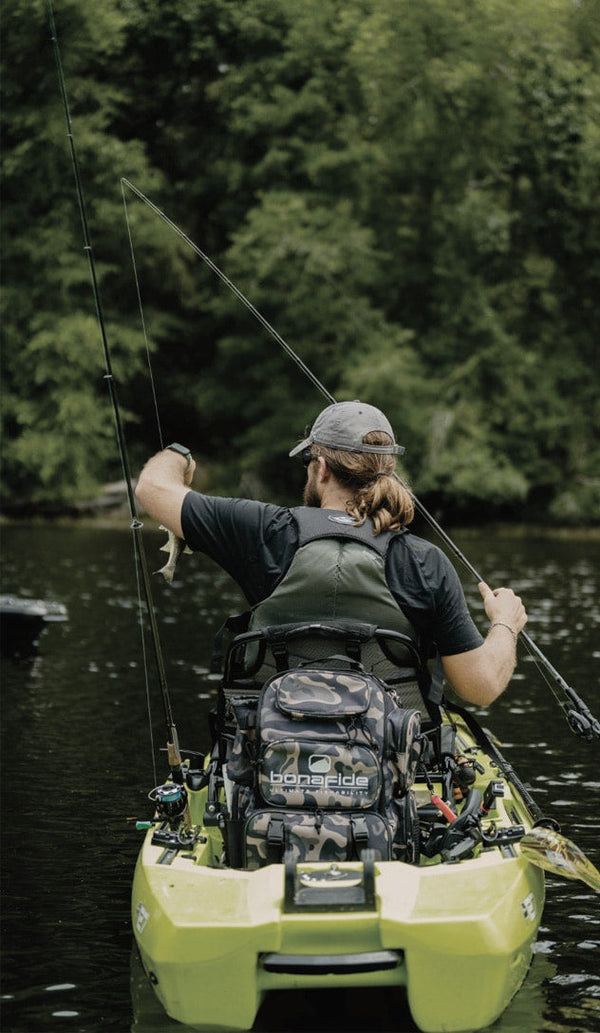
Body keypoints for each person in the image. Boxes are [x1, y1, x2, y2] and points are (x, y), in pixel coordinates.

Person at [135, 400, 527, 707]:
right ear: (388, 469)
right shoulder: (425, 561)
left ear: (320, 468)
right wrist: (505, 623)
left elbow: (151, 487)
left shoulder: (262, 530)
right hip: (386, 766)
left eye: (308, 463)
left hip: (271, 754)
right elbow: (480, 688)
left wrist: (180, 455)